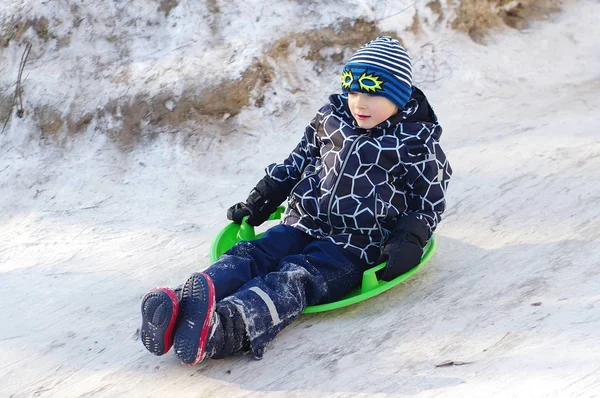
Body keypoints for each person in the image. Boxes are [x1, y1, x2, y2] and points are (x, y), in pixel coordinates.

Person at [139, 36, 452, 365]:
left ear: (399, 97)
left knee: (294, 278)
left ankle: (224, 329)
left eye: (373, 93)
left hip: (354, 245)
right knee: (255, 252)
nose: (359, 103)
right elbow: (296, 162)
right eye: (353, 91)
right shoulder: (331, 119)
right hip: (304, 221)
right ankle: (182, 308)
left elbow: (428, 200)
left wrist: (409, 237)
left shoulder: (415, 143)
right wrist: (262, 197)